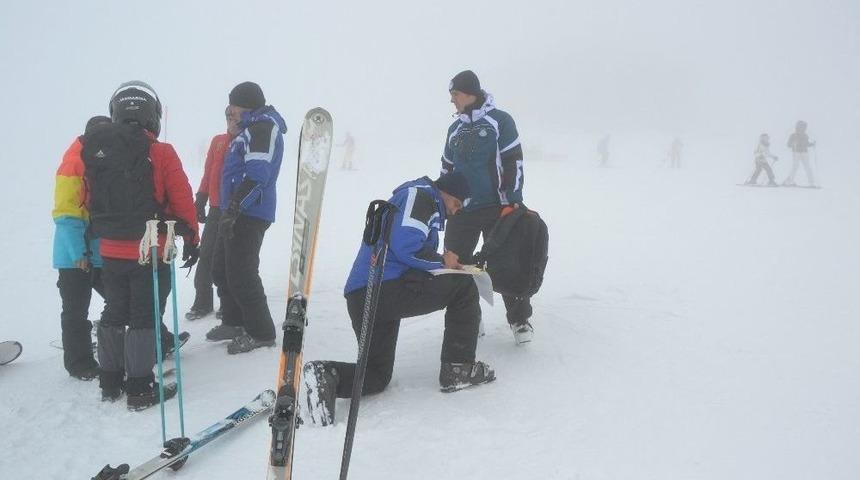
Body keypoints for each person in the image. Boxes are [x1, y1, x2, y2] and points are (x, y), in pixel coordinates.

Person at [303, 172, 495, 424]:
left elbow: (401, 245)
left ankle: (325, 375)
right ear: (446, 193)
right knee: (464, 286)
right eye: (456, 204)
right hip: (382, 289)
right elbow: (407, 246)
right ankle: (458, 369)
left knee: (375, 376)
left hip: (364, 295)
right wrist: (441, 261)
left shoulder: (412, 198)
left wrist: (439, 261)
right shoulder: (422, 197)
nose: (456, 211)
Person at [87, 80, 199, 410]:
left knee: (114, 309)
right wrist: (192, 235)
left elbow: (88, 198)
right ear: (153, 116)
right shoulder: (161, 152)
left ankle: (109, 380)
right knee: (145, 314)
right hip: (150, 249)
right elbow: (182, 198)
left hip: (109, 249)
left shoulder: (98, 150)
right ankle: (139, 386)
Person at [438, 70, 535, 344]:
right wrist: (445, 201)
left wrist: (512, 199)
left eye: (455, 95)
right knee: (458, 266)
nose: (452, 101)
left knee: (508, 263)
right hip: (463, 210)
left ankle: (519, 320)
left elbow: (513, 162)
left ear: (469, 92)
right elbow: (447, 168)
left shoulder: (500, 121)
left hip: (497, 207)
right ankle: (470, 318)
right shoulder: (454, 129)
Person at [205, 82, 285, 354]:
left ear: (246, 106)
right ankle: (234, 321)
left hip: (250, 212)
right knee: (221, 268)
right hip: (235, 211)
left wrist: (236, 207)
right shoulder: (249, 130)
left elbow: (257, 177)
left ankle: (261, 332)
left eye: (232, 108)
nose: (229, 113)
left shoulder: (261, 129)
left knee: (242, 273)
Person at [52, 115, 111, 380]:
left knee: (121, 299)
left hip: (101, 252)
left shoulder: (107, 159)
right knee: (76, 310)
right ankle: (79, 363)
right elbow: (66, 214)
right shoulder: (74, 163)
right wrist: (79, 253)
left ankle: (124, 345)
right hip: (73, 256)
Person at [186, 107, 238, 321]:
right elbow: (209, 171)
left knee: (230, 257)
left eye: (234, 116)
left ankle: (230, 304)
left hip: (235, 209)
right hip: (216, 208)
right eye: (227, 117)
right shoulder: (218, 141)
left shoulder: (245, 140)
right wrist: (201, 198)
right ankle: (203, 301)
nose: (230, 120)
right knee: (206, 254)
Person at [783, 120, 817, 187]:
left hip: (804, 153)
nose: (803, 128)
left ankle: (811, 183)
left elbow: (806, 144)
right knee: (795, 167)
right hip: (796, 152)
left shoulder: (805, 135)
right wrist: (793, 144)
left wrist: (812, 144)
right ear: (798, 127)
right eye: (802, 126)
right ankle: (789, 181)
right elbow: (788, 144)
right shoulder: (793, 135)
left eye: (804, 127)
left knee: (807, 167)